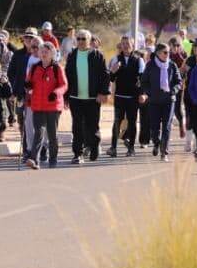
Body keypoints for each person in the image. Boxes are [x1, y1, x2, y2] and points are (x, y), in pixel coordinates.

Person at [64, 30, 109, 163]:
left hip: (93, 98)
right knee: (76, 126)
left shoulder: (97, 55)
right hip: (75, 98)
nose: (81, 41)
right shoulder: (72, 55)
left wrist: (103, 92)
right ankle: (77, 154)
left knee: (92, 126)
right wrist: (66, 96)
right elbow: (67, 76)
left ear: (89, 40)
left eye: (83, 39)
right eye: (78, 39)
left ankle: (94, 147)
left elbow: (105, 75)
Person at [25, 42, 68, 170]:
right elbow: (28, 83)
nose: (43, 53)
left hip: (53, 107)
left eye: (46, 51)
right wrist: (28, 86)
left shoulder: (57, 68)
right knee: (38, 132)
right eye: (41, 51)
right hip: (37, 106)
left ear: (52, 54)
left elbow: (64, 85)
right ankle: (34, 159)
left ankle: (53, 158)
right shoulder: (34, 67)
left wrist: (56, 93)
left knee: (52, 134)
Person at [140, 43, 182, 162]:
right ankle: (156, 143)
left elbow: (179, 82)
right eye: (165, 52)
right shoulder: (151, 65)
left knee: (167, 126)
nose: (168, 54)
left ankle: (164, 152)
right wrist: (150, 92)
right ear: (158, 53)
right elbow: (144, 82)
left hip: (169, 100)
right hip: (154, 101)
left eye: (169, 52)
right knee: (154, 126)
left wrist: (173, 90)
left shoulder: (172, 65)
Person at [107, 36, 145, 158]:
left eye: (127, 43)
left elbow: (142, 80)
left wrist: (142, 94)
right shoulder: (115, 59)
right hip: (119, 96)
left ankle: (131, 148)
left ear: (133, 45)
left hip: (133, 97)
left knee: (132, 122)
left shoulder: (139, 60)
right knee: (117, 122)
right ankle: (113, 148)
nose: (125, 45)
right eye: (123, 43)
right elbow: (111, 79)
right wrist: (113, 71)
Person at [8, 29, 39, 159]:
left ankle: (39, 148)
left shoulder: (41, 54)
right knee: (23, 121)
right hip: (22, 94)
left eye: (31, 37)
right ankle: (27, 149)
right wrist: (14, 91)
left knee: (37, 122)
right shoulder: (18, 54)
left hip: (38, 95)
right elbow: (11, 73)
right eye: (26, 37)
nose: (28, 39)